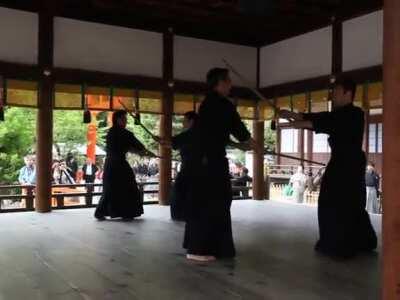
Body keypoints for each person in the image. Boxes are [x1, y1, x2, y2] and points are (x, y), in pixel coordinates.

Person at [279, 77, 377, 258]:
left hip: (347, 164)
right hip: (345, 162)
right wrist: (290, 115)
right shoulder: (339, 113)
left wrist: (291, 122)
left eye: (336, 92)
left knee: (334, 202)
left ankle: (338, 244)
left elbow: (319, 122)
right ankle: (361, 240)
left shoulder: (354, 114)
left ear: (348, 93)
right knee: (350, 204)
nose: (333, 96)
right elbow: (317, 118)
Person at [183, 68, 255, 262]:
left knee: (214, 202)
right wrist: (251, 142)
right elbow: (238, 129)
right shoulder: (222, 104)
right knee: (213, 202)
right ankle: (199, 249)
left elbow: (224, 133)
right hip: (211, 161)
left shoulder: (208, 103)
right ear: (220, 83)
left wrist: (248, 142)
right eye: (228, 81)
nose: (231, 84)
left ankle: (210, 247)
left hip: (207, 159)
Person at [94, 110, 153, 221]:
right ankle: (127, 212)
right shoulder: (125, 133)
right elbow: (138, 146)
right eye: (124, 119)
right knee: (127, 186)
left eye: (126, 119)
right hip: (119, 164)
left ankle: (101, 212)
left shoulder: (111, 132)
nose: (125, 121)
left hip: (110, 164)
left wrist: (142, 151)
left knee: (110, 188)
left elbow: (130, 147)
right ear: (117, 120)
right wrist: (145, 152)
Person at [169, 111, 198, 221]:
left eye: (185, 121)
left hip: (189, 169)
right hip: (196, 169)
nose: (183, 124)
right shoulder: (199, 133)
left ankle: (182, 214)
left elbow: (171, 142)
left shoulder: (190, 134)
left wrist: (161, 140)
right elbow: (172, 143)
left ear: (192, 121)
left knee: (180, 191)